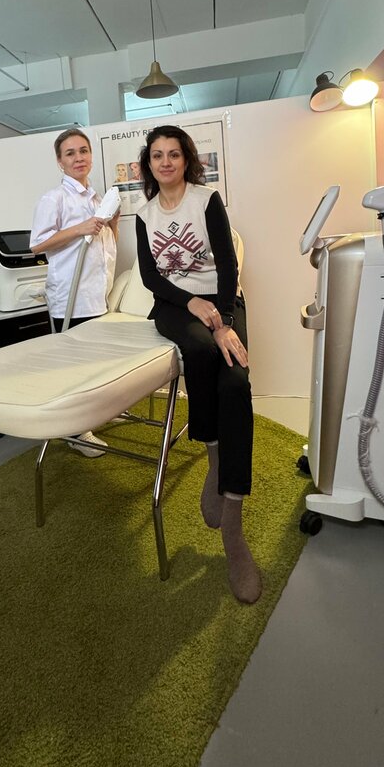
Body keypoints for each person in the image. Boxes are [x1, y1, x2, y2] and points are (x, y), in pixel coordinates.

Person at [135, 126, 261, 604]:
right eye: (157, 156)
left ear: (186, 159)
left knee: (236, 380)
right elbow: (150, 277)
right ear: (149, 164)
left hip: (222, 300)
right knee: (202, 351)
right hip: (174, 305)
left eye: (174, 154)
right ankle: (213, 454)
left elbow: (227, 263)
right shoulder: (144, 214)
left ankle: (234, 528)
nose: (166, 162)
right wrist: (190, 303)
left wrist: (224, 320)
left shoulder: (206, 200)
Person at [30, 128, 119, 458]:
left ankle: (93, 416)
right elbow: (37, 244)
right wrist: (79, 228)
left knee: (95, 364)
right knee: (74, 368)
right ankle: (76, 432)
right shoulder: (54, 199)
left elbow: (106, 247)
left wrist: (114, 223)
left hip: (98, 295)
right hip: (71, 298)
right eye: (70, 153)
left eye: (83, 151)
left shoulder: (96, 199)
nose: (79, 157)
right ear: (60, 161)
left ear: (91, 156)